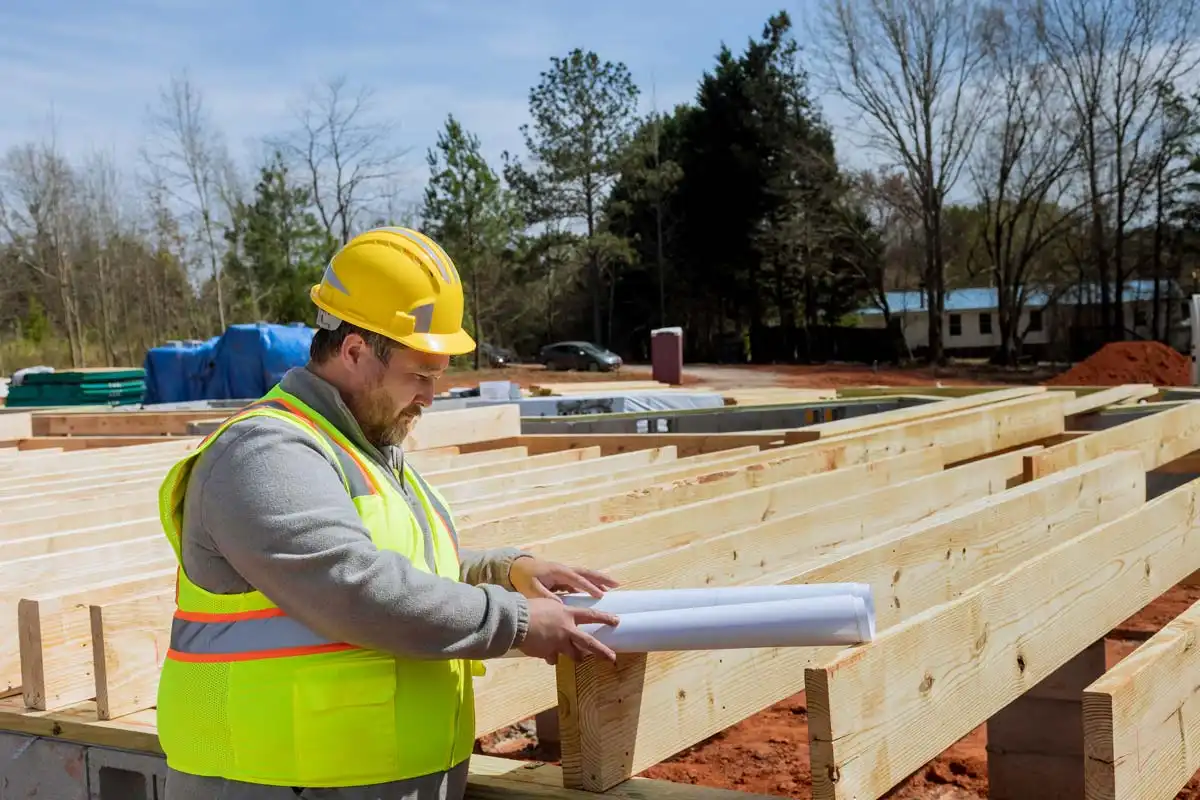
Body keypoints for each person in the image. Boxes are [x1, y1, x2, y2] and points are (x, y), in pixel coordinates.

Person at [156, 226, 622, 800]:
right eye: (420, 375)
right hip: (275, 781)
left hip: (361, 778)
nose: (431, 395)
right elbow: (351, 585)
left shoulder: (362, 447)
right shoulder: (264, 453)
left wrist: (502, 570)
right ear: (354, 351)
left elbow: (403, 561)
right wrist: (516, 621)